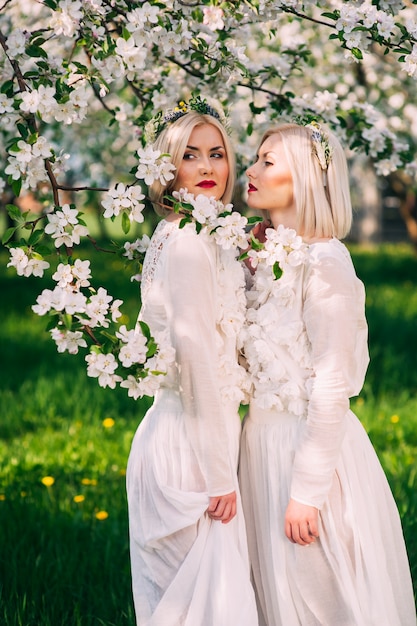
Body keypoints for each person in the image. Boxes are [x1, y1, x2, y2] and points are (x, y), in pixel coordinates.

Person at [239, 122, 416, 626]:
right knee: (277, 596)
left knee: (320, 597)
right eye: (255, 158)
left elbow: (332, 381)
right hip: (259, 447)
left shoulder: (324, 264)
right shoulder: (263, 255)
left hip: (306, 454)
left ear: (306, 180)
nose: (250, 170)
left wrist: (307, 491)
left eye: (268, 161)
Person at [126, 98, 258, 626]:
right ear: (168, 169)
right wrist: (219, 473)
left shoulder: (206, 236)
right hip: (190, 447)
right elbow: (197, 355)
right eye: (190, 156)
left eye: (217, 154)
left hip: (209, 434)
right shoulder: (185, 243)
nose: (206, 168)